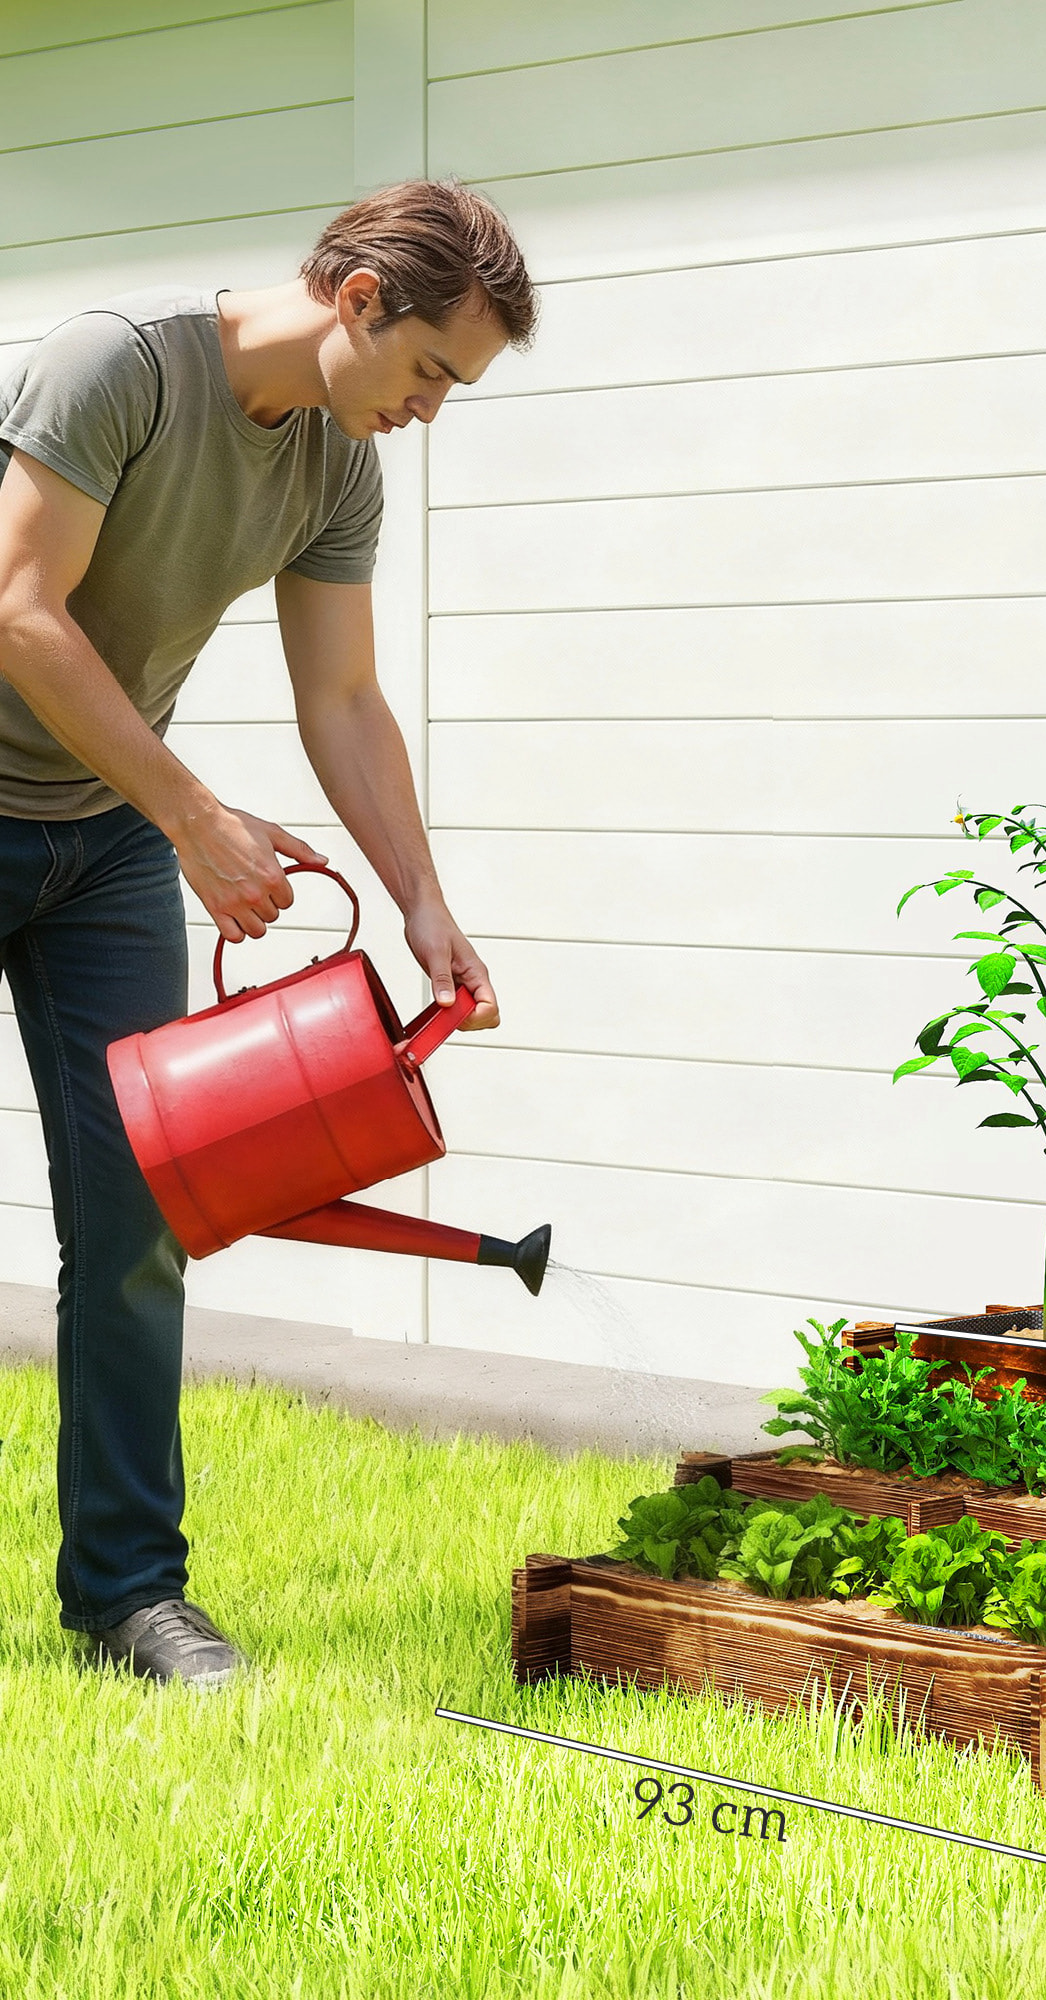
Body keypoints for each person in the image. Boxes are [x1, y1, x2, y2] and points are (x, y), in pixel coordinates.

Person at [0, 180, 537, 1688]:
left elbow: (344, 700)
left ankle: (125, 1595)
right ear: (359, 299)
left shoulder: (334, 470)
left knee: (134, 1220)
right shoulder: (115, 367)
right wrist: (190, 811)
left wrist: (424, 900)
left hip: (97, 840)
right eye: (433, 371)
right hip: (111, 805)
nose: (432, 411)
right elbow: (20, 607)